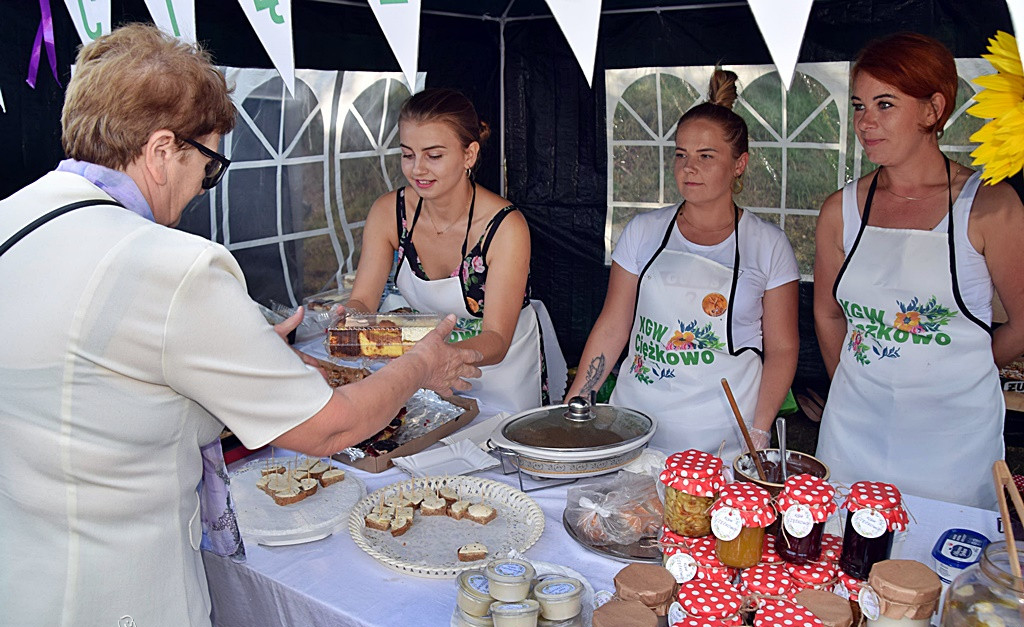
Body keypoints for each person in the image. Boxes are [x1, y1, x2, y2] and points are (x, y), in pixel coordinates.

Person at [0, 24, 479, 627]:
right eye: (209, 166)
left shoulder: (13, 221)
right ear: (163, 149)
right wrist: (421, 363)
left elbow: (91, 389)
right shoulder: (173, 267)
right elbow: (330, 426)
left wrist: (244, 364)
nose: (203, 188)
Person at [814, 33, 1024, 509]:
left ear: (933, 109)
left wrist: (964, 367)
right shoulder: (840, 210)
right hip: (851, 438)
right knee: (842, 563)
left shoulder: (989, 206)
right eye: (859, 106)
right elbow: (828, 315)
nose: (866, 123)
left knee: (939, 572)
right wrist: (850, 386)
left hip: (953, 444)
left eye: (884, 105)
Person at [566, 70, 800, 457]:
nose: (688, 168)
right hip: (634, 425)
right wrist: (577, 405)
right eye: (681, 154)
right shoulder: (643, 232)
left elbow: (782, 349)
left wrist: (758, 431)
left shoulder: (768, 246)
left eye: (706, 156)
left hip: (721, 439)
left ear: (739, 164)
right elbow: (612, 326)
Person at [346, 88, 558, 413]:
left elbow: (497, 340)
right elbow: (363, 300)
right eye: (407, 154)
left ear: (469, 155)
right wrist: (349, 320)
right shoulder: (389, 212)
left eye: (434, 156)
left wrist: (430, 360)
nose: (417, 169)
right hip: (425, 374)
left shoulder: (504, 227)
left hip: (501, 379)